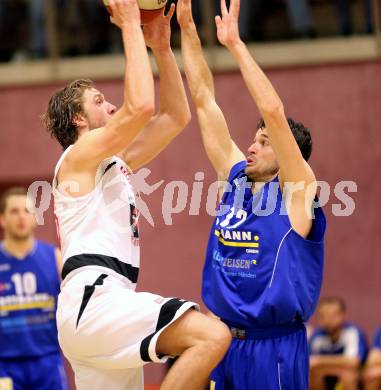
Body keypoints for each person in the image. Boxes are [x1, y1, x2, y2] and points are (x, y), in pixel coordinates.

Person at [43, 1, 231, 389]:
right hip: (94, 300)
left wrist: (161, 47)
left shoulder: (112, 162)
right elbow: (141, 106)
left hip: (102, 309)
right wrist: (130, 24)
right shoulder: (76, 158)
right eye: (98, 102)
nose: (109, 104)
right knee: (212, 336)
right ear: (79, 120)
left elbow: (175, 117)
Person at [177, 0, 326, 389]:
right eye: (253, 138)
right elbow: (204, 99)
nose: (251, 146)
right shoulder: (237, 181)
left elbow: (273, 111)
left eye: (264, 141)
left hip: (273, 347)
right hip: (223, 342)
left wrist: (235, 45)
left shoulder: (298, 193)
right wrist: (188, 30)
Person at [0, 187, 68, 390]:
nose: (21, 216)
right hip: (4, 364)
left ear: (36, 218)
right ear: (2, 219)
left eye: (27, 210)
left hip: (47, 360)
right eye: (14, 211)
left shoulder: (55, 257)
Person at [309, 297, 367, 390]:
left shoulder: (352, 332)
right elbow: (310, 362)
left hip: (347, 377)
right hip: (325, 377)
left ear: (344, 315)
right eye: (324, 315)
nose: (329, 319)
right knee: (312, 374)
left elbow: (354, 362)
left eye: (334, 314)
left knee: (348, 375)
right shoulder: (317, 336)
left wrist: (319, 361)